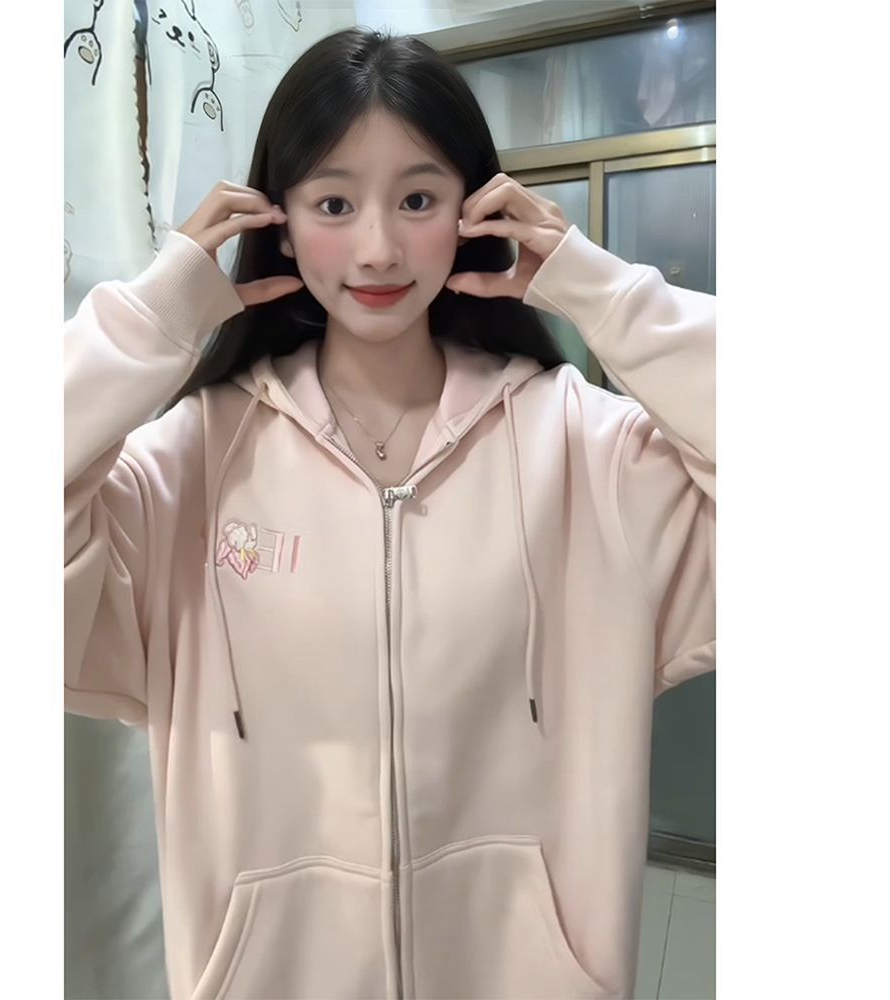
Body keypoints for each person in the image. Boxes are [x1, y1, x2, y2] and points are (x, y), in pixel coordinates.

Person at [64, 25, 715, 1000]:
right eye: (334, 203)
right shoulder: (192, 462)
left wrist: (604, 294)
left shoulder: (584, 449)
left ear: (473, 211)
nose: (377, 248)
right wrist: (156, 320)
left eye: (417, 199)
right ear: (280, 222)